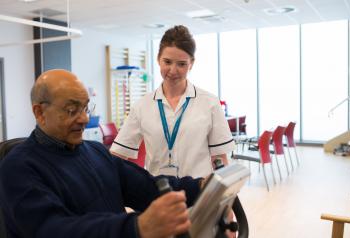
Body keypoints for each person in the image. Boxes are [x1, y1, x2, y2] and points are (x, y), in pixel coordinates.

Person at [0, 69, 203, 238]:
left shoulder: (95, 151)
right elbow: (53, 229)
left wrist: (201, 187)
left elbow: (147, 187)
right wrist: (136, 227)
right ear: (39, 113)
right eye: (72, 110)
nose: (84, 119)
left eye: (86, 108)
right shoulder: (18, 168)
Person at [110, 25, 236, 178]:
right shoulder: (142, 106)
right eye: (167, 62)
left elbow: (219, 159)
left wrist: (222, 195)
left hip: (199, 193)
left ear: (192, 63)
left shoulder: (210, 103)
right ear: (158, 59)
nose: (173, 70)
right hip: (159, 193)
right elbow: (117, 155)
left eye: (181, 64)